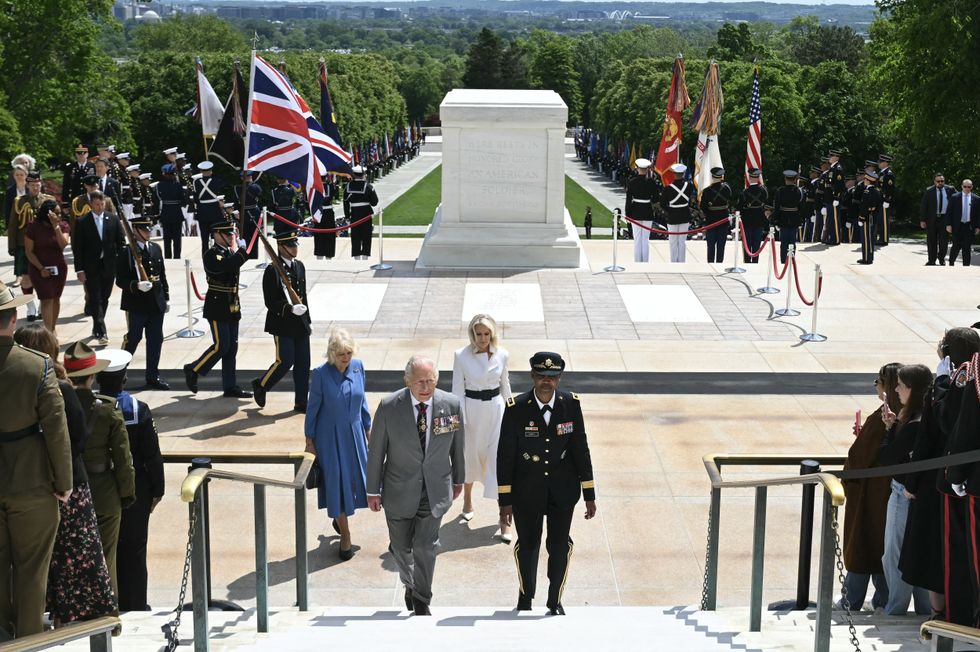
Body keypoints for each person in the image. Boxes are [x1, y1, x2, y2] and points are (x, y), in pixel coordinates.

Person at [13, 323, 115, 627]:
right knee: (80, 554)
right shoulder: (61, 385)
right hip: (67, 485)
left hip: (31, 481)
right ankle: (89, 615)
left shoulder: (20, 382)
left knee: (45, 558)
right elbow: (77, 438)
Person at [497, 352, 596, 615]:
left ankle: (555, 599)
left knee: (559, 546)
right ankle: (526, 595)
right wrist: (504, 501)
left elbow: (580, 449)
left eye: (551, 377)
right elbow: (505, 457)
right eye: (541, 376)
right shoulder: (516, 408)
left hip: (562, 491)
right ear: (532, 376)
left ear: (559, 378)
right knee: (528, 546)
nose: (546, 382)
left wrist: (589, 493)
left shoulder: (570, 405)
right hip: (526, 492)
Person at [0, 282, 73, 638]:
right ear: (13, 321)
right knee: (31, 570)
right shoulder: (38, 365)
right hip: (31, 482)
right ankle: (27, 643)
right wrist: (64, 482)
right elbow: (56, 430)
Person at [366, 355, 465, 616]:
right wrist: (372, 490)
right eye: (420, 381)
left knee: (426, 545)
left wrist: (459, 479)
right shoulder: (389, 407)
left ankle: (422, 598)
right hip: (398, 489)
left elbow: (458, 446)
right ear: (407, 381)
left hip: (435, 489)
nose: (426, 387)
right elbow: (376, 452)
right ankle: (410, 583)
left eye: (431, 381)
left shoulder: (451, 405)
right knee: (400, 547)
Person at [64, 341, 136, 602]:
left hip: (68, 488)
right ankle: (107, 613)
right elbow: (123, 458)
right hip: (104, 491)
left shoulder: (57, 407)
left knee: (69, 558)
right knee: (106, 557)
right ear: (93, 376)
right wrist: (127, 493)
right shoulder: (107, 409)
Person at [96, 350, 164, 611]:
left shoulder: (91, 407)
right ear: (124, 379)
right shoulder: (137, 409)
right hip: (136, 490)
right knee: (134, 548)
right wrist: (158, 489)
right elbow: (151, 454)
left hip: (99, 487)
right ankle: (134, 603)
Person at [839, 363, 901, 611]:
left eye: (879, 381)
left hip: (870, 493)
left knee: (863, 545)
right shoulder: (901, 414)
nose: (875, 385)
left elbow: (859, 459)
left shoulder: (883, 417)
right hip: (884, 492)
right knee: (880, 547)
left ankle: (852, 600)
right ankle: (882, 600)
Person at [305, 329, 371, 561]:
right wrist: (309, 440)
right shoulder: (321, 374)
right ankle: (345, 534)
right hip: (329, 438)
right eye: (341, 353)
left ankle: (339, 519)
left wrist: (368, 430)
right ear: (332, 353)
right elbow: (312, 408)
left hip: (354, 434)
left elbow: (362, 401)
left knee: (356, 482)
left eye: (349, 352)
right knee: (335, 484)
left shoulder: (358, 366)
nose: (346, 357)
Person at [878, 363, 933, 616]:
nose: (896, 389)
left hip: (903, 494)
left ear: (912, 389)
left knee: (894, 554)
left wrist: (889, 430)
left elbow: (887, 458)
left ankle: (895, 609)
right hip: (919, 494)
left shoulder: (913, 423)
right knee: (919, 553)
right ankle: (926, 611)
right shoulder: (928, 416)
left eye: (900, 385)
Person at [452, 314, 512, 540]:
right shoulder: (461, 356)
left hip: (496, 412)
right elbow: (457, 390)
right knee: (471, 458)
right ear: (472, 334)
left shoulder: (503, 354)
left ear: (492, 334)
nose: (483, 338)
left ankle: (504, 517)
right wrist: (459, 421)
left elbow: (505, 386)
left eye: (487, 334)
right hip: (472, 412)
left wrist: (513, 413)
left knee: (499, 462)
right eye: (479, 334)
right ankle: (467, 500)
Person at [184, 220, 252, 398]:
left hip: (232, 304)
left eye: (232, 234)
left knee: (232, 347)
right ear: (216, 235)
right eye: (228, 234)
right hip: (217, 305)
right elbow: (226, 267)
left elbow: (235, 262)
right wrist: (241, 252)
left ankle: (230, 386)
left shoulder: (229, 252)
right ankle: (194, 369)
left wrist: (240, 253)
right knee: (222, 346)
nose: (231, 237)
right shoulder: (211, 255)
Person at [252, 231, 311, 412]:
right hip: (282, 323)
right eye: (291, 245)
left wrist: (308, 319)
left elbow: (303, 296)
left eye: (295, 244)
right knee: (285, 361)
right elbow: (270, 301)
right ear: (281, 247)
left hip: (300, 323)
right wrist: (289, 308)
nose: (295, 248)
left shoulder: (299, 266)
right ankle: (262, 384)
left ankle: (301, 401)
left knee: (303, 363)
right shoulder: (272, 270)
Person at [116, 215, 170, 390]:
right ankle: (119, 373)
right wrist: (135, 285)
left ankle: (152, 376)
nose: (149, 232)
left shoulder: (155, 248)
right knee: (133, 338)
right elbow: (120, 280)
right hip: (136, 304)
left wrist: (166, 297)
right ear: (136, 231)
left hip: (155, 302)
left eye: (149, 229)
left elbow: (162, 275)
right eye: (145, 229)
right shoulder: (126, 252)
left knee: (155, 340)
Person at [72, 191, 124, 345]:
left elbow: (120, 243)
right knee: (95, 298)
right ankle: (102, 331)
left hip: (109, 265)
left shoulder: (113, 219)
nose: (100, 207)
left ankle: (97, 325)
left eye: (102, 204)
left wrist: (121, 264)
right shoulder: (82, 222)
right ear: (91, 205)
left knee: (105, 297)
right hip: (90, 267)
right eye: (96, 204)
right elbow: (78, 248)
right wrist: (79, 270)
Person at [9, 171, 54, 322]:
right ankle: (30, 307)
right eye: (32, 185)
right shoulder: (19, 201)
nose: (35, 187)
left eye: (37, 185)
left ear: (41, 184)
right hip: (24, 244)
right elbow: (13, 225)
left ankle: (42, 305)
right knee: (26, 278)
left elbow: (56, 224)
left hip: (44, 245)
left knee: (45, 277)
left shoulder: (49, 200)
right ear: (28, 185)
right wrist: (12, 245)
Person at [23, 200, 69, 333]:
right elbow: (29, 252)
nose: (59, 216)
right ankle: (48, 331)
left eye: (60, 213)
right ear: (47, 214)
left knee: (55, 298)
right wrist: (41, 268)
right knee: (46, 298)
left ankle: (53, 328)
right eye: (56, 213)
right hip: (39, 268)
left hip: (58, 267)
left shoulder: (63, 225)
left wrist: (56, 227)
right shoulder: (33, 227)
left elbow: (62, 245)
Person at [625, 158, 661, 262]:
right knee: (645, 239)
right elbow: (655, 199)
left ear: (637, 168)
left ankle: (637, 261)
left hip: (635, 211)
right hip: (647, 211)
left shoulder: (632, 182)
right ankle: (645, 261)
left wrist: (628, 214)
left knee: (637, 239)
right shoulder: (651, 182)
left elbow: (628, 200)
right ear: (647, 169)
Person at [345, 165, 379, 260]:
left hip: (354, 214)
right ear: (363, 174)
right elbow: (374, 203)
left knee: (355, 236)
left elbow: (345, 203)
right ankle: (365, 257)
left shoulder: (348, 186)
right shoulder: (368, 187)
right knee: (366, 236)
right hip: (366, 214)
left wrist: (347, 216)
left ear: (354, 174)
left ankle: (356, 257)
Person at [660, 163, 693, 262]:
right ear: (683, 173)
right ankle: (682, 262)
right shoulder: (689, 186)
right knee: (682, 242)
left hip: (672, 216)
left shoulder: (668, 188)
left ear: (674, 174)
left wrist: (669, 210)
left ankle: (674, 262)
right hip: (684, 215)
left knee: (673, 241)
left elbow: (662, 203)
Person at [771, 170, 805, 264]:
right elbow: (801, 207)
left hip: (783, 219)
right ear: (794, 180)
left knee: (784, 242)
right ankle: (791, 260)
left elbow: (777, 207)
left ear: (785, 179)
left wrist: (775, 220)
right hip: (794, 219)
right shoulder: (799, 191)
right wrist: (801, 220)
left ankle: (783, 261)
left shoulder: (780, 191)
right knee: (792, 241)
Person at [920, 173, 953, 266]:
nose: (940, 183)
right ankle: (931, 260)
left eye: (942, 181)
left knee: (944, 242)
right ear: (934, 182)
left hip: (945, 219)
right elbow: (924, 206)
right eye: (938, 181)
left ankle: (941, 258)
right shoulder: (929, 191)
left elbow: (957, 201)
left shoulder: (950, 189)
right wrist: (922, 220)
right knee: (931, 241)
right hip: (932, 219)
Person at [701, 167, 732, 264]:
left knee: (711, 245)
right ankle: (719, 263)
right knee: (721, 245)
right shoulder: (727, 188)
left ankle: (710, 263)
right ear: (721, 176)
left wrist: (708, 213)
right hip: (723, 220)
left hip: (711, 220)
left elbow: (703, 207)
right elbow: (730, 201)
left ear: (712, 176)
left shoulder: (707, 191)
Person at [193, 161, 224, 257]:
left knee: (204, 239)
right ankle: (218, 255)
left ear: (201, 171)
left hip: (202, 211)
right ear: (211, 171)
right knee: (217, 237)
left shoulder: (196, 182)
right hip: (215, 211)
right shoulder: (216, 180)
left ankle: (205, 256)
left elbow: (196, 198)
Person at [156, 163, 186, 259]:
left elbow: (157, 200)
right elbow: (184, 202)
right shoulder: (178, 186)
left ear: (164, 174)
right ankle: (177, 257)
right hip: (177, 213)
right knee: (177, 238)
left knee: (167, 238)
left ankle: (168, 257)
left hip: (165, 213)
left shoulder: (159, 186)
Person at [946, 179, 979, 267]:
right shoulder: (955, 197)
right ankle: (951, 262)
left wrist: (978, 227)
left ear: (971, 187)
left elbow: (978, 215)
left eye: (969, 187)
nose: (967, 188)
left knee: (967, 247)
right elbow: (949, 212)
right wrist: (948, 224)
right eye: (965, 186)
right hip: (957, 225)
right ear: (962, 186)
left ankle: (966, 266)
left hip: (969, 226)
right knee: (956, 246)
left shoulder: (976, 199)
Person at [739, 168, 769, 264]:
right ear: (758, 178)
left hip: (747, 220)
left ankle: (747, 262)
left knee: (747, 244)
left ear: (749, 177)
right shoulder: (764, 191)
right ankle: (755, 261)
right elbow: (766, 201)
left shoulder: (745, 192)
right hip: (759, 220)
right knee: (757, 243)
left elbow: (740, 207)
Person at [234, 169, 262, 260]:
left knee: (245, 237)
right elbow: (259, 193)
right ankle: (254, 257)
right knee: (255, 238)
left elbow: (236, 203)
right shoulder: (256, 187)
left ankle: (244, 257)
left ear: (242, 178)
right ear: (250, 177)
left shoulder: (237, 188)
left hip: (243, 214)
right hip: (255, 212)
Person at [857, 171, 881, 265]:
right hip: (873, 217)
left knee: (866, 239)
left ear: (868, 180)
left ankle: (867, 258)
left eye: (865, 179)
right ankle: (869, 257)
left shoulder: (867, 192)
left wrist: (861, 218)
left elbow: (864, 207)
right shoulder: (877, 191)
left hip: (866, 218)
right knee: (870, 238)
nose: (864, 181)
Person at [61, 144, 94, 211]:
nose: (81, 155)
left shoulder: (92, 166)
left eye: (84, 153)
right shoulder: (70, 168)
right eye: (79, 153)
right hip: (74, 200)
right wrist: (65, 203)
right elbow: (66, 185)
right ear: (76, 154)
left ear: (87, 154)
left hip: (89, 200)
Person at [823, 149, 845, 245]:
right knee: (831, 218)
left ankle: (835, 238)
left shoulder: (838, 168)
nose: (829, 157)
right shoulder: (832, 168)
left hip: (834, 197)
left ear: (836, 157)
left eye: (831, 156)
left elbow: (839, 185)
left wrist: (837, 197)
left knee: (835, 218)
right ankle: (832, 237)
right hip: (829, 197)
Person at [314, 176, 338, 260]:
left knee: (319, 235)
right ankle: (329, 257)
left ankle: (319, 256)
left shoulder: (313, 187)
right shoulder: (330, 186)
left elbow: (307, 202)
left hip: (318, 213)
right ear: (325, 177)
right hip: (328, 213)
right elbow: (335, 194)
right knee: (330, 235)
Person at [877, 154, 895, 246]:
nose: (879, 163)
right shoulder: (882, 173)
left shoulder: (889, 174)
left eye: (880, 162)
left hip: (884, 200)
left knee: (884, 220)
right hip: (880, 199)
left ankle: (884, 239)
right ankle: (881, 237)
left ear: (885, 163)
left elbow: (890, 188)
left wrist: (887, 200)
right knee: (880, 220)